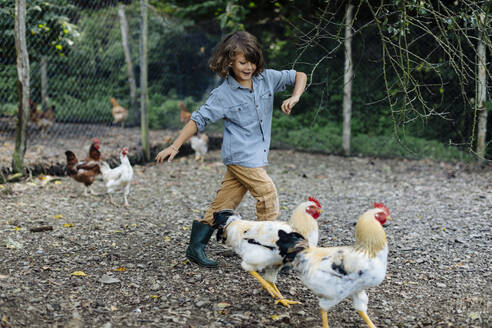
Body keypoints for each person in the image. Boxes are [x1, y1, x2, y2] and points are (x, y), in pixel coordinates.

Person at [155, 31, 307, 267]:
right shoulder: (223, 94)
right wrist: (175, 146)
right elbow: (198, 119)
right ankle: (269, 250)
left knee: (223, 205)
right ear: (229, 62)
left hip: (257, 155)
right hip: (240, 156)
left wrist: (295, 97)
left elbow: (299, 75)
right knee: (267, 193)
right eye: (242, 62)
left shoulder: (266, 79)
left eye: (252, 61)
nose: (248, 67)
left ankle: (195, 247)